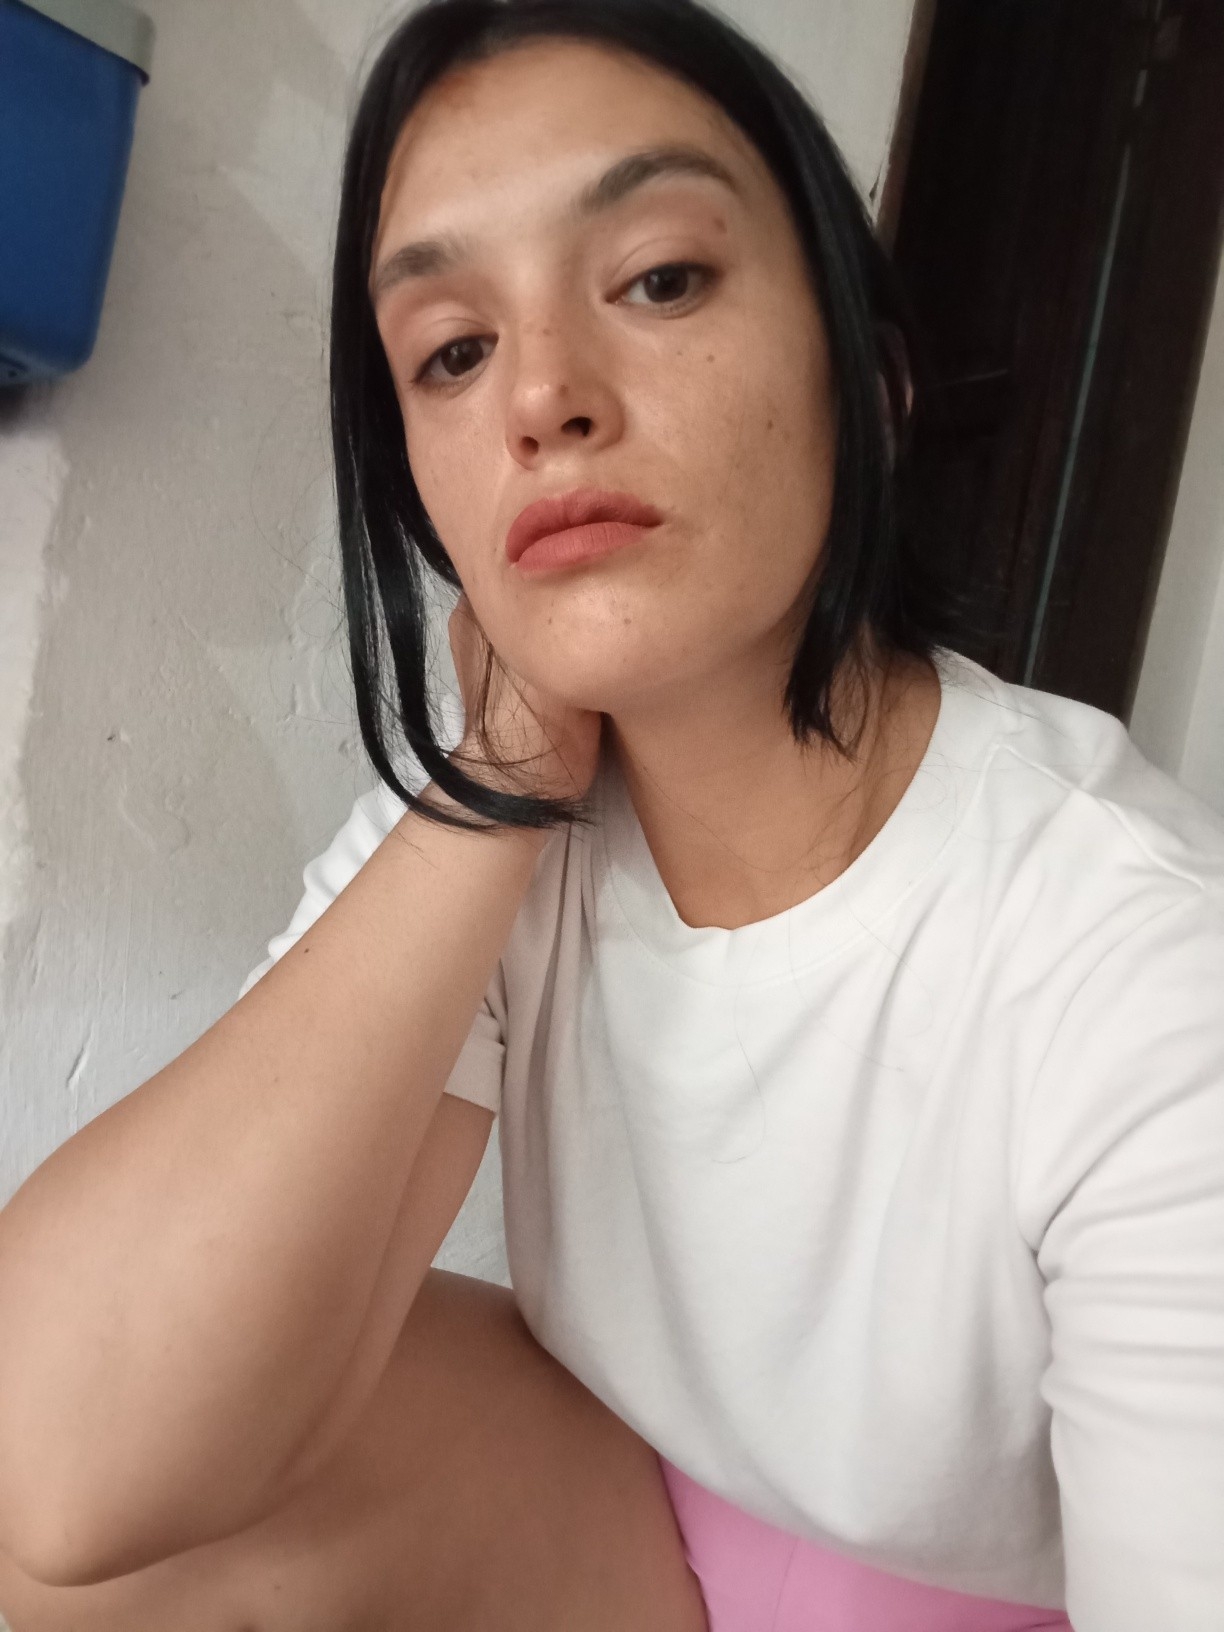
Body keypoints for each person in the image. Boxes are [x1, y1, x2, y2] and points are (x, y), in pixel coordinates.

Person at [1, 1, 1222, 1628]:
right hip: (656, 1517)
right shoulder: (501, 822)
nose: (542, 398)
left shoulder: (1144, 976)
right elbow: (64, 1465)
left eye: (660, 278)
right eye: (453, 350)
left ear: (871, 380)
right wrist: (500, 780)